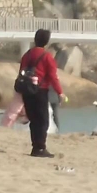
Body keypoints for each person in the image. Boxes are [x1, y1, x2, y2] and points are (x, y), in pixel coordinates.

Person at [17, 29, 62, 158]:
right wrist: (60, 92)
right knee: (43, 121)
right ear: (46, 42)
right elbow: (53, 76)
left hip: (27, 90)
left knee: (33, 120)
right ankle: (40, 148)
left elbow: (21, 71)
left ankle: (35, 147)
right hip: (40, 91)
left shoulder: (27, 55)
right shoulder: (47, 56)